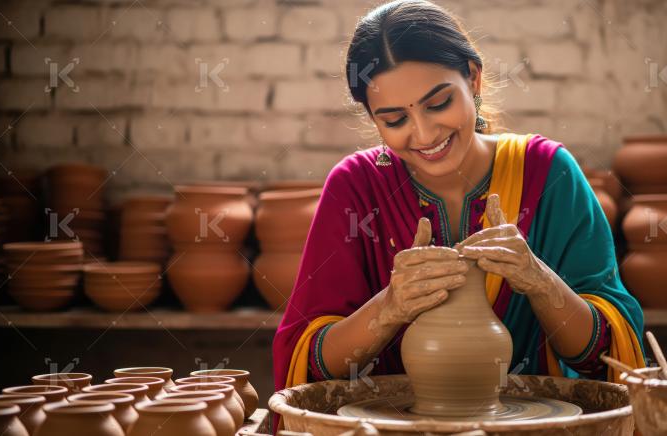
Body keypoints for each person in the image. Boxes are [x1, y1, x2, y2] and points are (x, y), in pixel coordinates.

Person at [273, 0, 645, 397]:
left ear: (473, 79)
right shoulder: (356, 186)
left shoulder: (548, 172)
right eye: (395, 120)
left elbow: (610, 354)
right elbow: (307, 361)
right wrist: (390, 308)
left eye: (438, 104)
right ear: (372, 118)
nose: (424, 134)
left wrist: (539, 282)